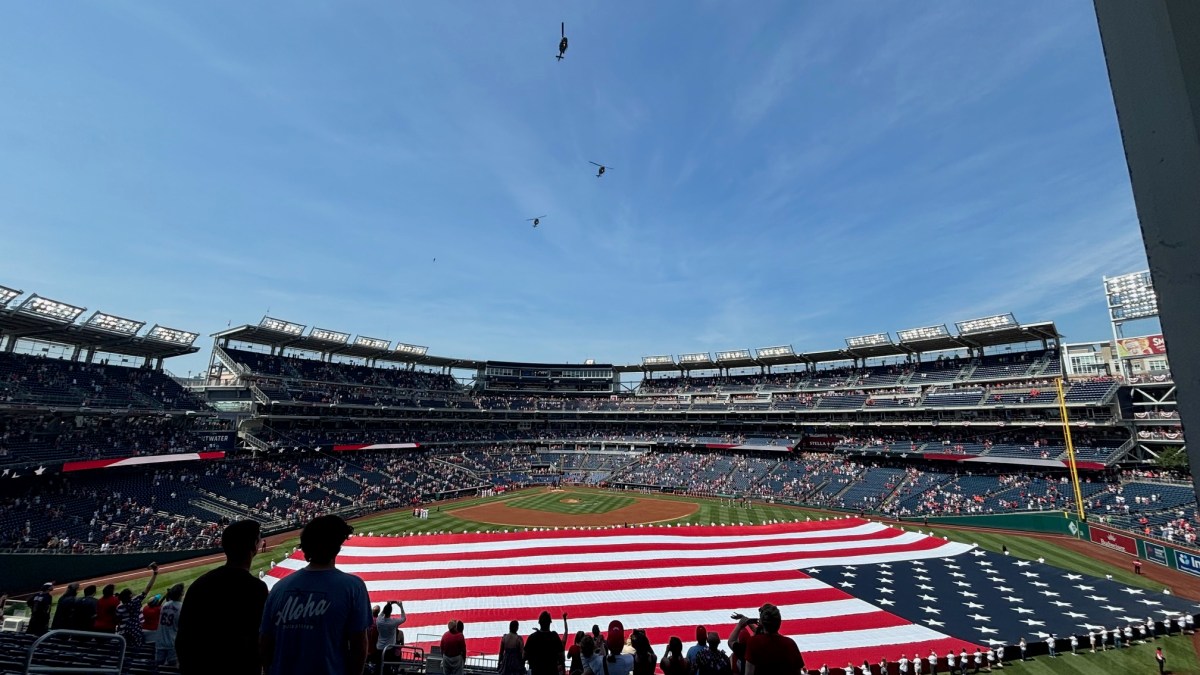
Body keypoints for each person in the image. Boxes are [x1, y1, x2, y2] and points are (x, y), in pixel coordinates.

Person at [260, 515, 372, 675]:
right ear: (338, 547)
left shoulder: (279, 588)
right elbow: (359, 645)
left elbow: (265, 643)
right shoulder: (353, 587)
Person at [177, 520, 268, 675]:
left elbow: (183, 640)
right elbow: (260, 640)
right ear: (254, 546)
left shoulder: (200, 584)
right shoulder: (256, 588)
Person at [743, 604, 804, 675]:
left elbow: (749, 673)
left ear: (762, 623)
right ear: (779, 622)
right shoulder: (790, 644)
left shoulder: (754, 643)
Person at [116, 562, 160, 649]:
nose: (133, 593)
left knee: (125, 648)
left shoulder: (120, 606)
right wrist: (155, 573)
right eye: (132, 593)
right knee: (137, 648)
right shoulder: (135, 602)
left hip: (123, 630)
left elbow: (118, 619)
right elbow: (148, 588)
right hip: (135, 629)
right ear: (129, 596)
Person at [526, 611, 567, 675]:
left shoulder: (532, 637)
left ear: (539, 622)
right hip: (552, 671)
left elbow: (524, 655)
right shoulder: (554, 637)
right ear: (550, 622)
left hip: (537, 671)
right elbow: (562, 657)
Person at [156, 584, 184, 667]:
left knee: (158, 666)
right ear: (181, 594)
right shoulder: (181, 607)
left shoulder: (165, 605)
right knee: (173, 667)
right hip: (172, 643)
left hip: (160, 641)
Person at [375, 600, 407, 664]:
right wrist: (401, 606)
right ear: (391, 612)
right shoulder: (393, 622)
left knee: (378, 665)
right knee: (387, 666)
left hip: (379, 647)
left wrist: (388, 604)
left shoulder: (378, 620)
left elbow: (382, 613)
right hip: (389, 648)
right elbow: (403, 618)